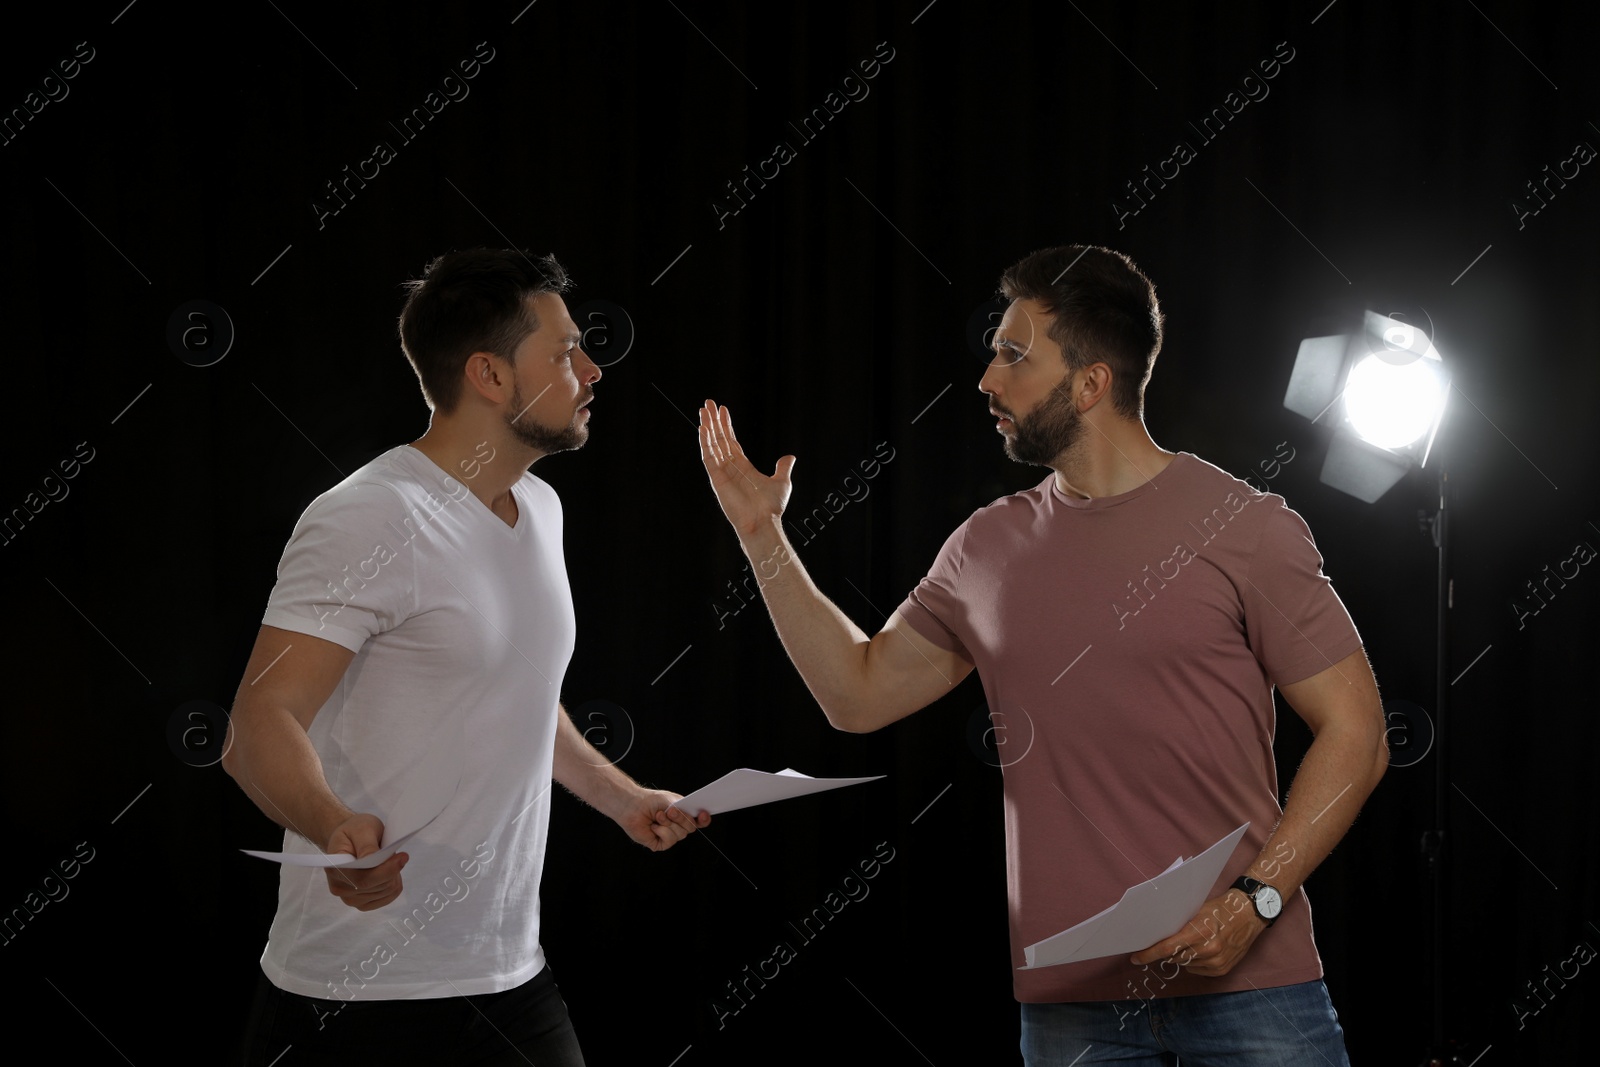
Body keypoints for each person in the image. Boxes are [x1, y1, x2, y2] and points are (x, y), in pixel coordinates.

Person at [696, 244, 1387, 1066]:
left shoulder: (1245, 526)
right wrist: (760, 535)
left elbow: (1357, 731)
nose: (988, 378)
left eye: (1015, 355)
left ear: (1091, 383)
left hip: (1253, 989)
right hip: (1074, 1016)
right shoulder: (985, 548)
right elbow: (857, 694)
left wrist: (1256, 901)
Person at [224, 248, 707, 1067]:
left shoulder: (542, 510)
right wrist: (332, 826)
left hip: (508, 972)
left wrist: (624, 798)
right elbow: (257, 722)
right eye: (563, 353)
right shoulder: (369, 517)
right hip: (353, 990)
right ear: (487, 373)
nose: (592, 369)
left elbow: (516, 695)